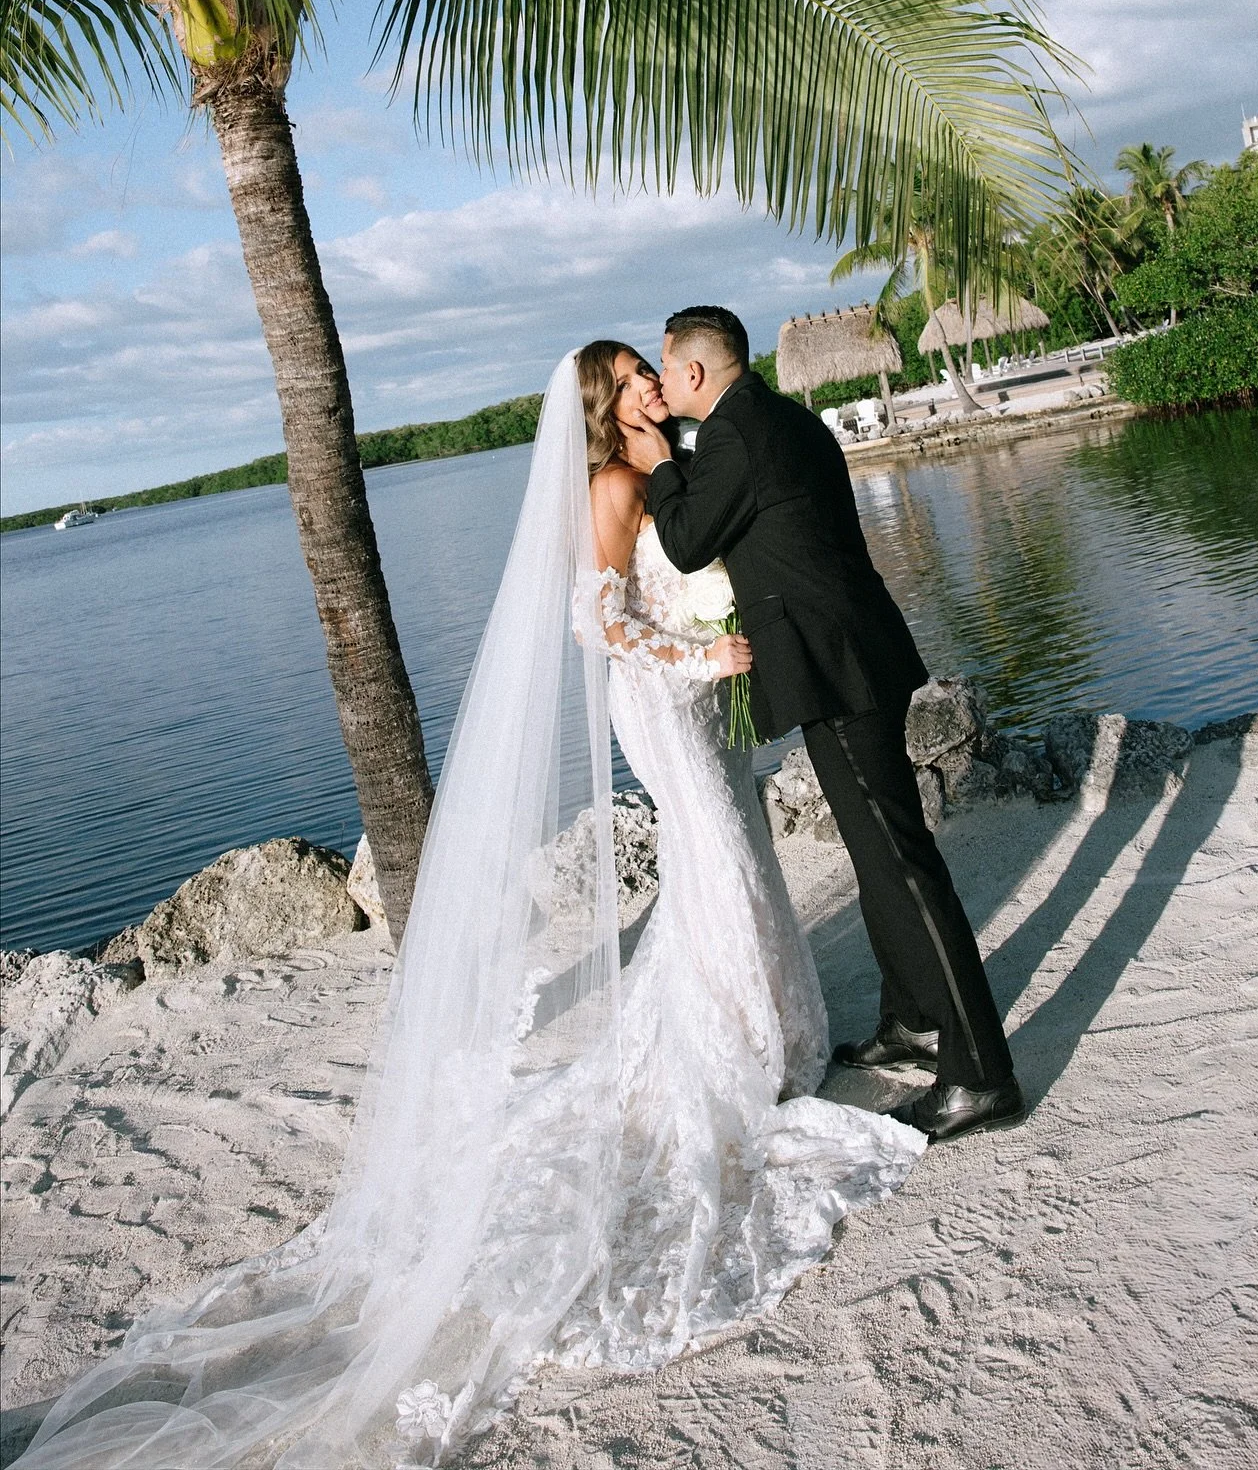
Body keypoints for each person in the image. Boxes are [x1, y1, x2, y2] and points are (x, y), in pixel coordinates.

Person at [21, 347, 921, 1470]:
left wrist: (719, 630)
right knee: (719, 861)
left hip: (702, 697)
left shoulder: (672, 466)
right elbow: (597, 622)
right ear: (603, 406)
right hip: (666, 699)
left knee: (738, 863)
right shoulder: (612, 484)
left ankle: (766, 1028)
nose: (650, 384)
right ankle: (734, 1046)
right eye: (632, 378)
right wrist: (704, 653)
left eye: (651, 370)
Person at [627, 305, 1024, 1145]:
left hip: (837, 666)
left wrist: (660, 463)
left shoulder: (735, 434)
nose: (659, 383)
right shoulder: (778, 418)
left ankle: (981, 1075)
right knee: (877, 854)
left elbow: (690, 541)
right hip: (848, 655)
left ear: (694, 372)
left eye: (663, 368)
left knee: (903, 863)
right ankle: (913, 1018)